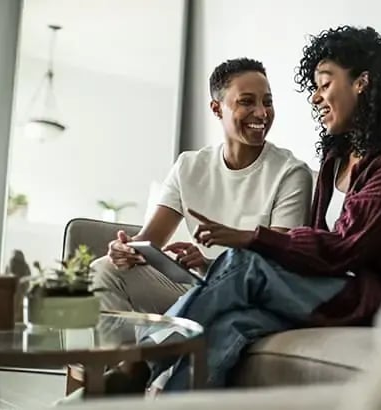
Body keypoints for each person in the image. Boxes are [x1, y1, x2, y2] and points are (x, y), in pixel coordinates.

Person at [100, 25, 381, 394]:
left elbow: (343, 247)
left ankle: (139, 363)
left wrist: (250, 239)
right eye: (315, 89)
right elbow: (315, 245)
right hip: (327, 291)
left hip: (370, 301)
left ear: (361, 83)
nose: (315, 98)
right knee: (232, 324)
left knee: (243, 262)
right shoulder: (336, 157)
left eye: (325, 85)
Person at [92, 57, 313, 314]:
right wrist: (125, 250)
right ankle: (127, 354)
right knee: (103, 270)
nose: (262, 113)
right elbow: (148, 241)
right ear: (217, 108)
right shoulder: (189, 166)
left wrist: (209, 265)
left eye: (267, 102)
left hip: (250, 294)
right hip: (197, 286)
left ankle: (143, 353)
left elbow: (277, 264)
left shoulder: (292, 173)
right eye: (247, 101)